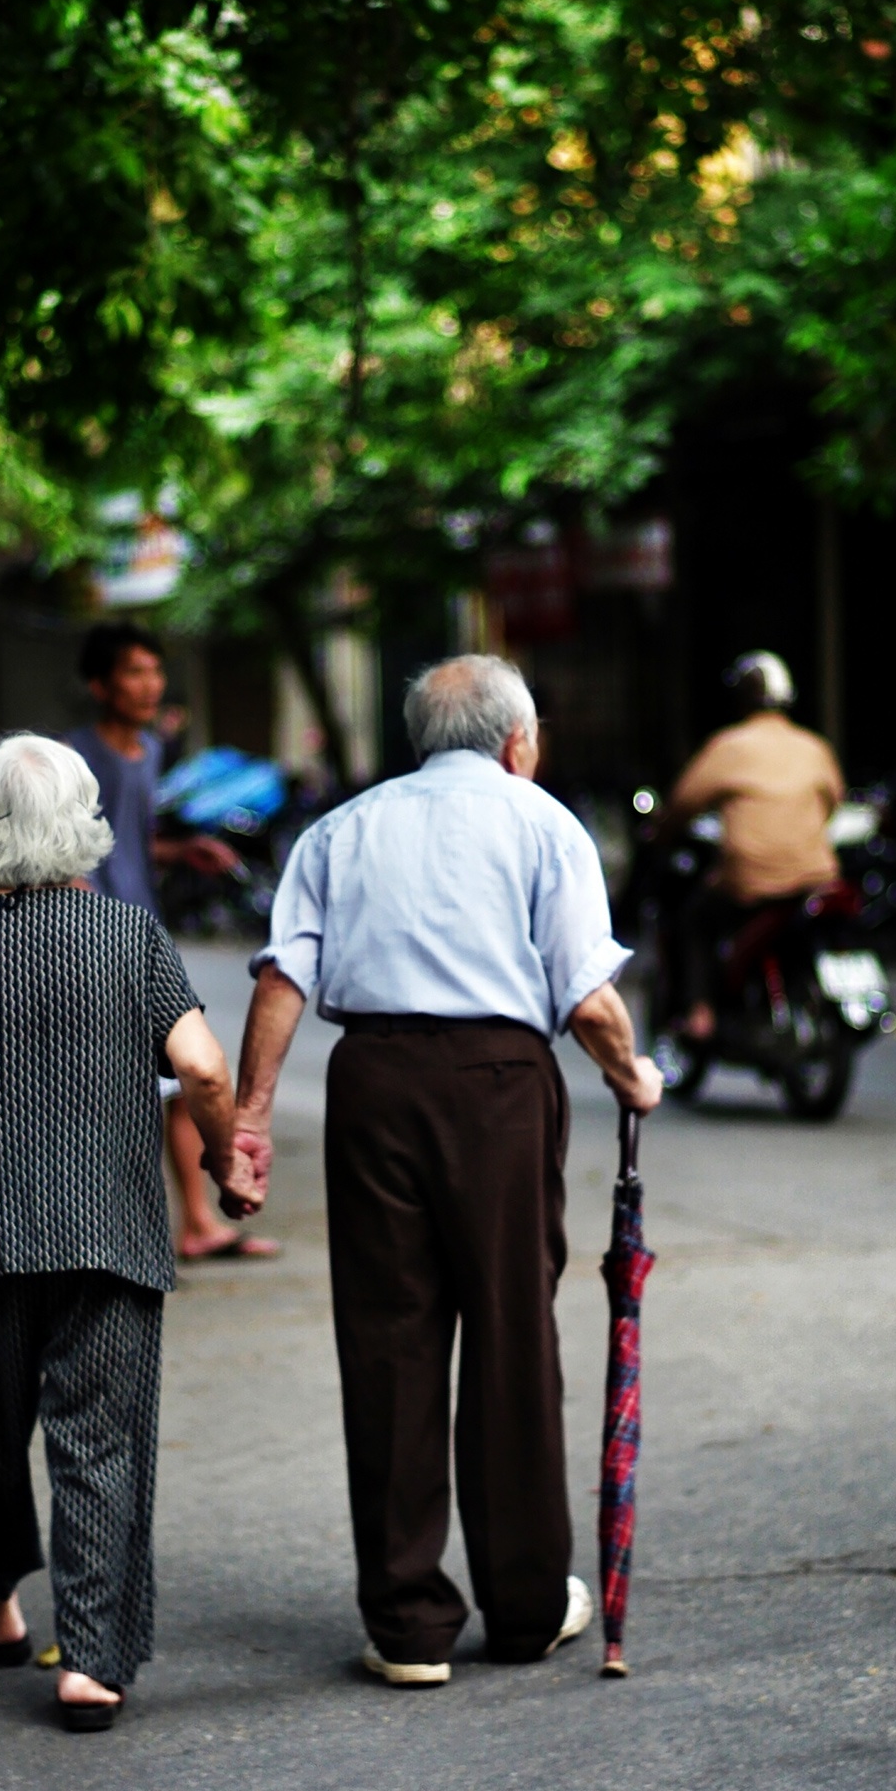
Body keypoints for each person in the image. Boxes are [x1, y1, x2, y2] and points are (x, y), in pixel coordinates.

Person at [227, 655, 663, 1687]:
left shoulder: (342, 828)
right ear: (518, 741)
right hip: (496, 1084)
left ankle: (407, 1624)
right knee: (510, 1334)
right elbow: (587, 996)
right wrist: (630, 1074)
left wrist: (249, 1118)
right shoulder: (540, 821)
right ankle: (521, 1607)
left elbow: (284, 973)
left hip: (373, 1080)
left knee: (387, 1340)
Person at [0, 735, 260, 1730]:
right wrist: (222, 1162)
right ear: (82, 824)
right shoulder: (130, 938)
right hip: (109, 1235)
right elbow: (205, 1071)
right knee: (99, 1443)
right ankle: (89, 1659)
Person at [66, 620, 277, 1261]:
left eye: (155, 670)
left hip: (144, 937)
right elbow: (69, 856)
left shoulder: (149, 751)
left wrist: (183, 849)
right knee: (110, 1090)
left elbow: (129, 841)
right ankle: (105, 1231)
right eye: (134, 671)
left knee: (180, 1082)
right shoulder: (71, 758)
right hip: (93, 942)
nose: (149, 684)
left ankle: (195, 1223)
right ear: (99, 684)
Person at [656, 651, 845, 1039]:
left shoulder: (729, 746)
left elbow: (682, 803)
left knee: (694, 921)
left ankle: (700, 1010)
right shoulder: (813, 746)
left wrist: (662, 833)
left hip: (751, 881)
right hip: (815, 876)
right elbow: (834, 800)